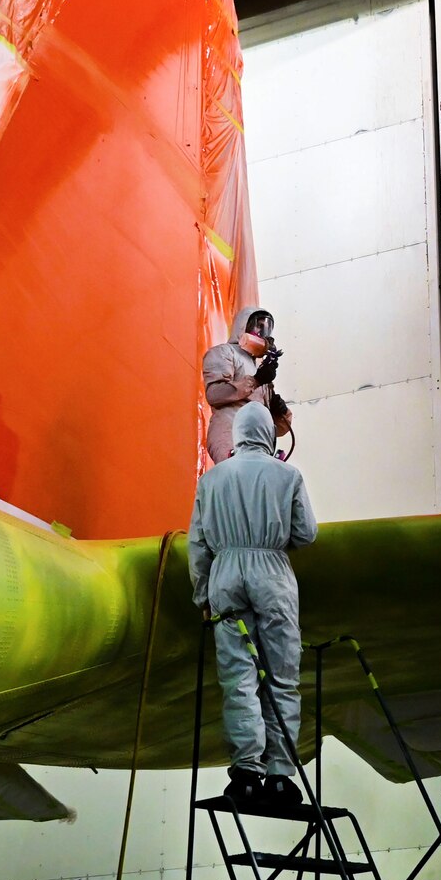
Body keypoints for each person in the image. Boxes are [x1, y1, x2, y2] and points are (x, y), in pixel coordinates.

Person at [187, 400, 317, 808]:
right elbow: (307, 534)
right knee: (281, 676)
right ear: (267, 433)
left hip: (226, 576)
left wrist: (202, 593)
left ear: (238, 434)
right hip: (272, 574)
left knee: (238, 676)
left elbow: (198, 544)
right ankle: (280, 776)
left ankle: (246, 772)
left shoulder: (212, 480)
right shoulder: (288, 475)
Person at [203, 306, 287, 463]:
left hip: (259, 443)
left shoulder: (259, 368)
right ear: (243, 325)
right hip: (229, 434)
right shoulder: (224, 352)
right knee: (234, 479)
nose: (262, 332)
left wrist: (281, 412)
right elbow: (214, 393)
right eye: (258, 325)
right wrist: (256, 381)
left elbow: (279, 430)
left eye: (266, 328)